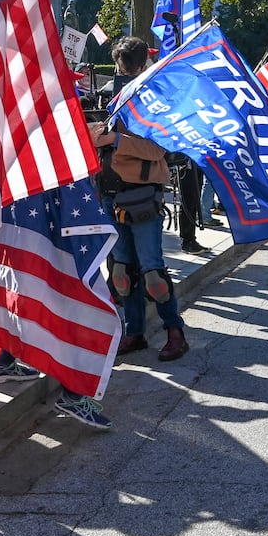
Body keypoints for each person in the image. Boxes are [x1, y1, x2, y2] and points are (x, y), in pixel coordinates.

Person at [91, 37, 190, 366]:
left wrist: (117, 139)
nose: (127, 71)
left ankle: (175, 330)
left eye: (130, 66)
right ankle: (134, 331)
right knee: (122, 272)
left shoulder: (154, 101)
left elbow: (159, 149)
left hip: (143, 192)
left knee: (152, 272)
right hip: (110, 191)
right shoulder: (109, 97)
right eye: (124, 66)